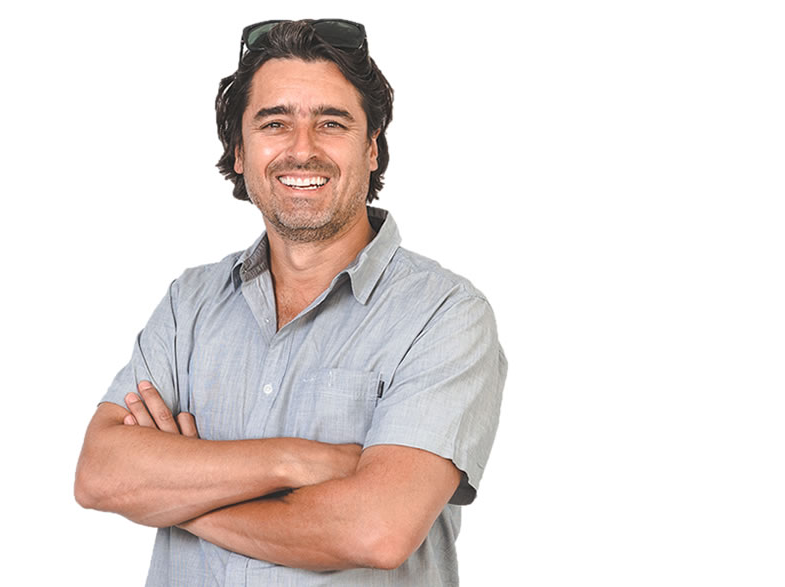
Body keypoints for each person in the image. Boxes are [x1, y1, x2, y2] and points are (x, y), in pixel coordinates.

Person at [75, 19, 507, 585]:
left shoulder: (444, 315)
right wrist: (295, 460)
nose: (302, 150)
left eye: (331, 123)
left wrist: (175, 497)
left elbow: (376, 530)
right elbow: (100, 474)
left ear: (372, 149)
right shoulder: (190, 305)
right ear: (240, 152)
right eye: (275, 123)